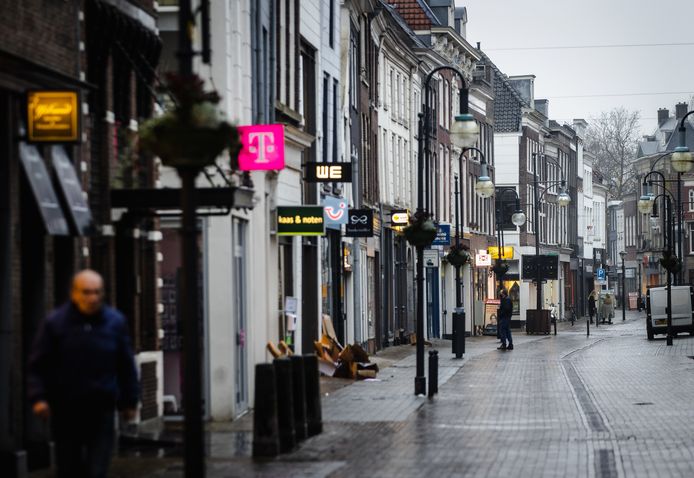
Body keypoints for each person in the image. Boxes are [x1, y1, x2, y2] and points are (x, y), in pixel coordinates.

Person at [28, 269, 139, 478]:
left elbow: (125, 364)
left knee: (97, 469)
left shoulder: (115, 323)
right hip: (66, 409)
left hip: (101, 407)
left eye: (97, 292)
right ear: (74, 293)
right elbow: (38, 364)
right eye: (86, 292)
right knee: (69, 468)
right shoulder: (56, 323)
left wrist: (129, 401)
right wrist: (39, 397)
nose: (92, 298)